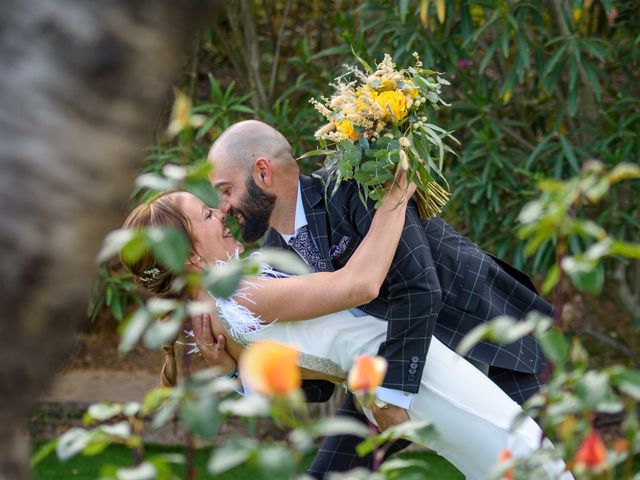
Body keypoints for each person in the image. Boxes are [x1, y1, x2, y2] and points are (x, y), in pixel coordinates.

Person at [121, 178, 571, 480]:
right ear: (189, 256)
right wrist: (395, 193)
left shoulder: (217, 311)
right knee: (528, 458)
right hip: (420, 376)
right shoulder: (238, 297)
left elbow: (312, 366)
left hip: (388, 382)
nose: (221, 214)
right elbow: (358, 283)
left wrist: (232, 374)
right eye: (205, 216)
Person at [206, 120, 553, 476]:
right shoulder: (276, 258)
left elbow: (418, 287)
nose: (224, 207)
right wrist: (238, 374)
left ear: (263, 172)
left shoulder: (355, 185)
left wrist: (392, 394)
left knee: (537, 466)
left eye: (226, 189)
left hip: (493, 340)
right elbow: (322, 372)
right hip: (393, 361)